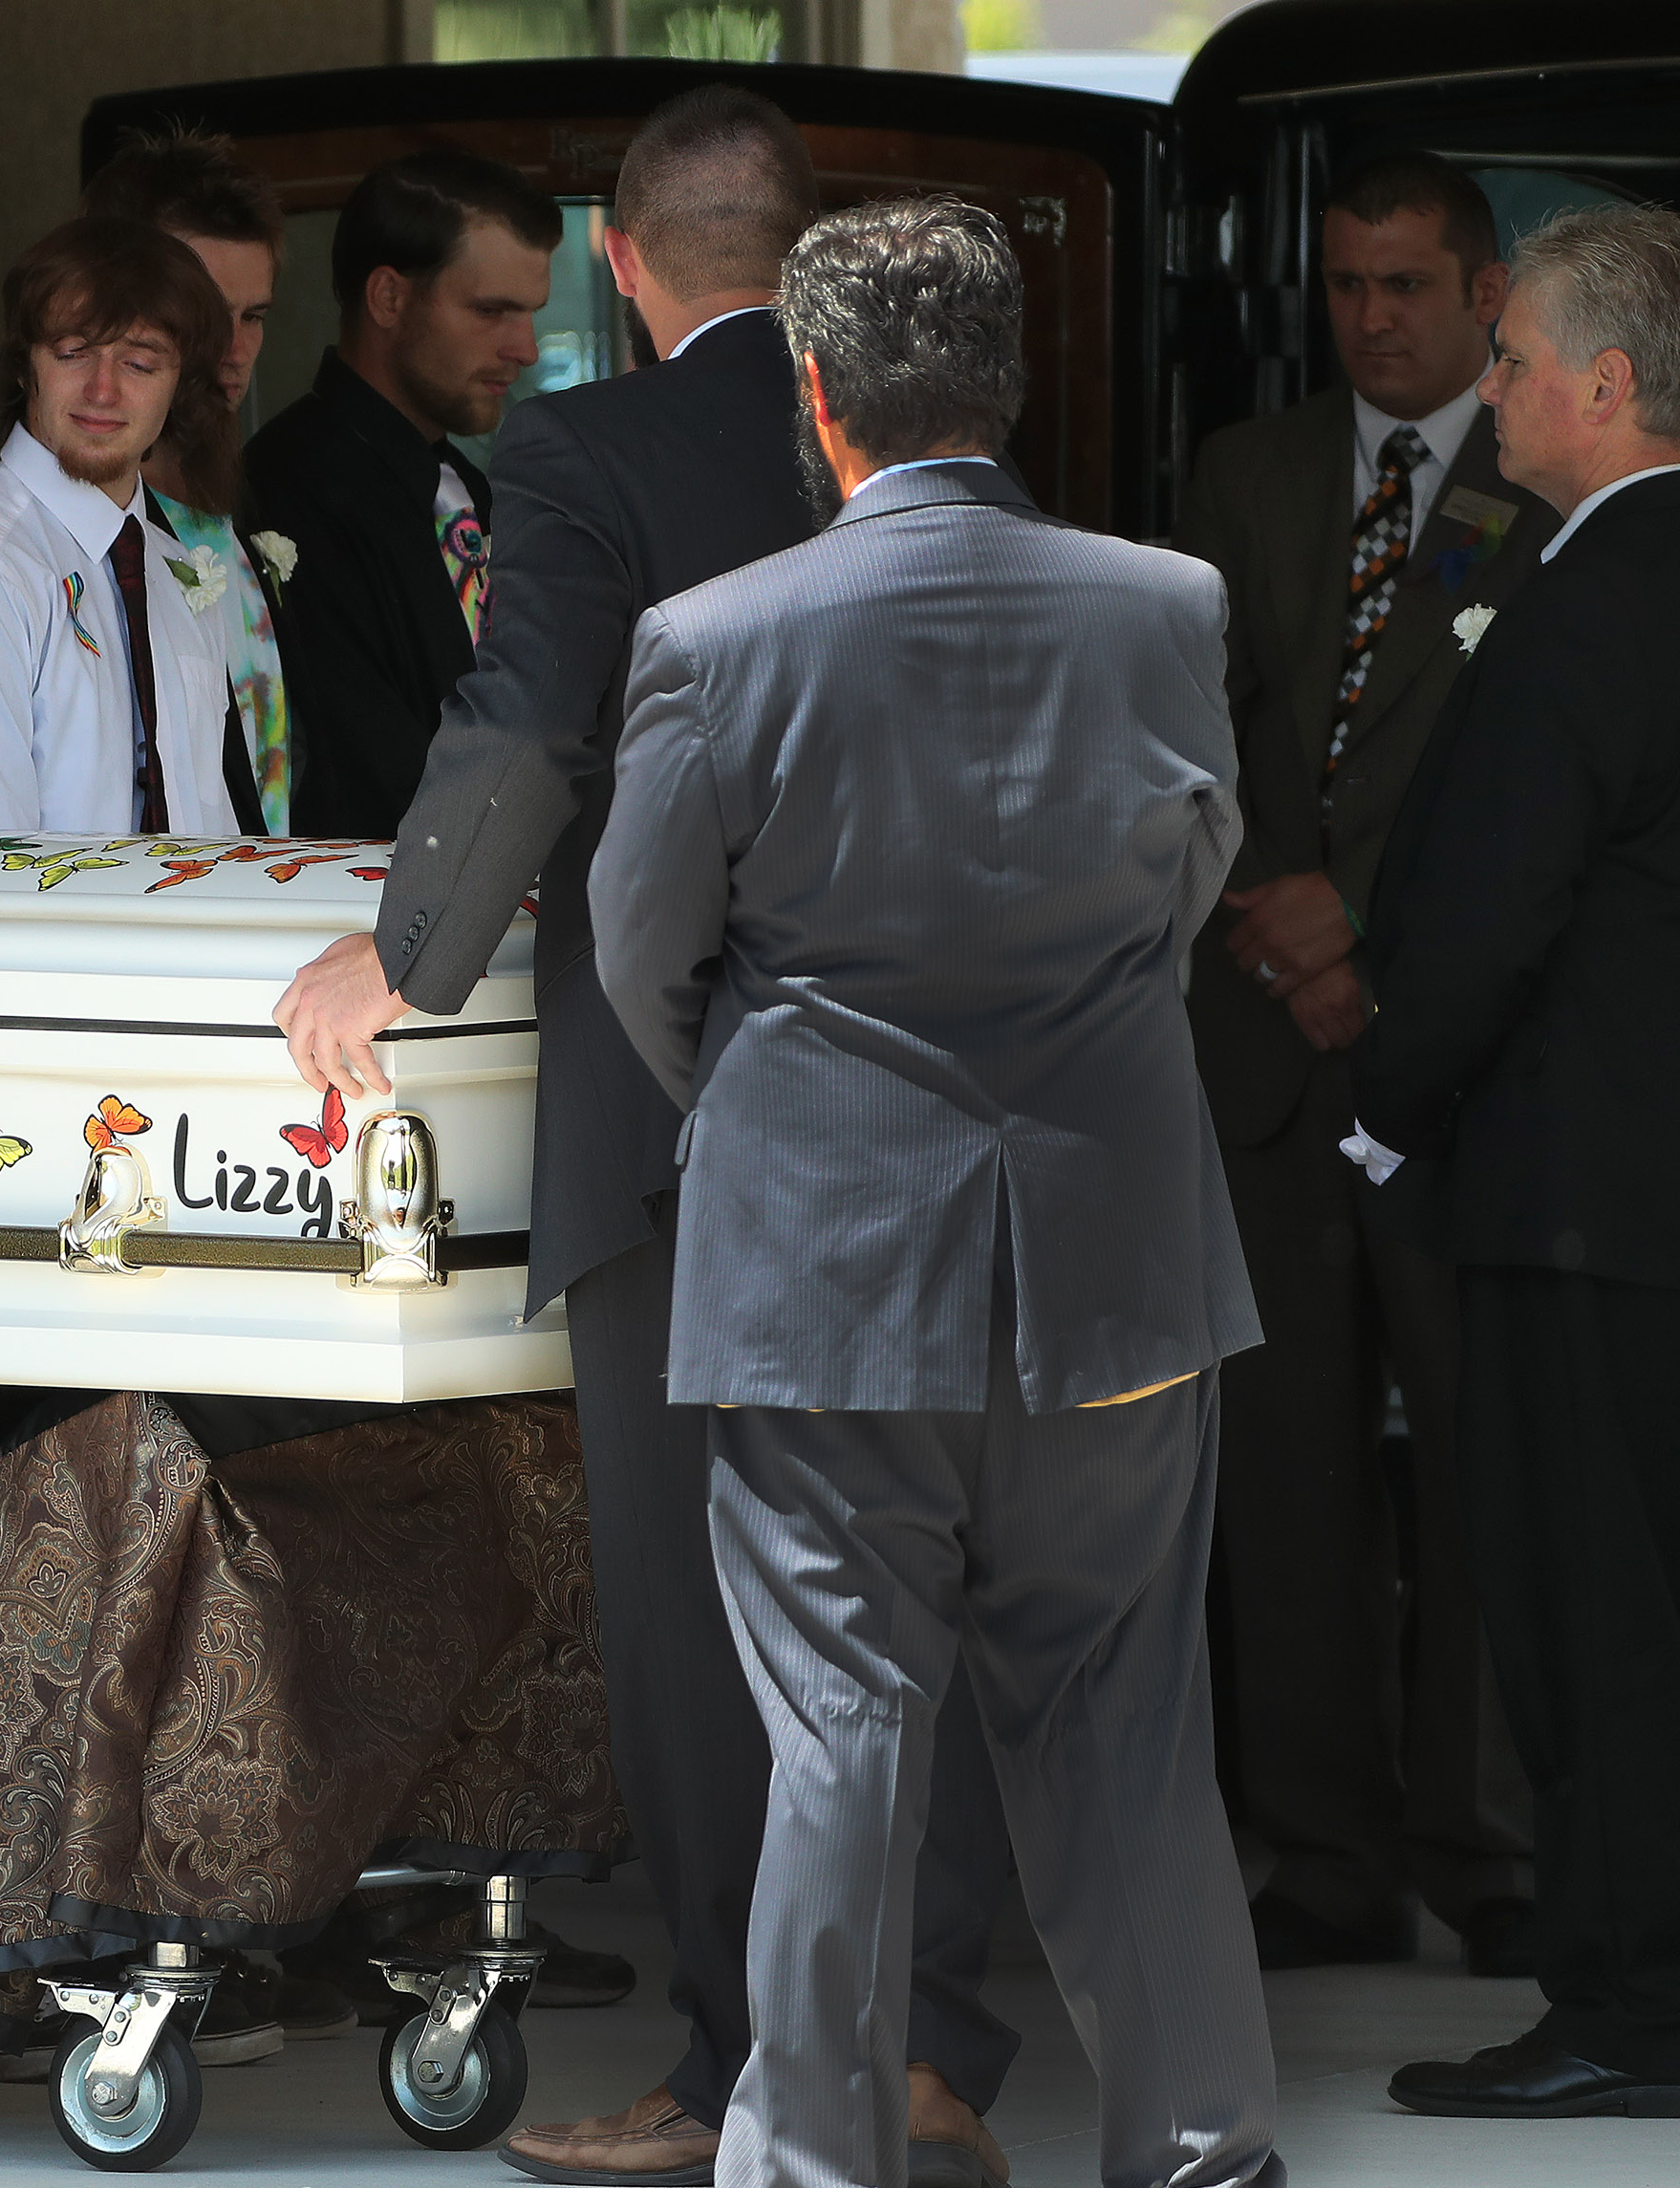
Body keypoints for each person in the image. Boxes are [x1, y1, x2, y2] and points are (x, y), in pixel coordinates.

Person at [277, 93, 1020, 2188]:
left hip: (687, 1119)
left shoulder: (587, 450)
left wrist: (401, 953)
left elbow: (529, 716)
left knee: (709, 1628)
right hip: (936, 1109)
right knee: (910, 1593)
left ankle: (747, 2071)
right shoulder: (928, 449)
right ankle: (928, 2048)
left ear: (622, 261)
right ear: (808, 247)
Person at [590, 198, 1282, 2188]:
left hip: (822, 1271)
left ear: (812, 394)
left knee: (840, 1736)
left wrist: (776, 1110)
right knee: (1128, 1736)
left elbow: (643, 950)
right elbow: (1187, 878)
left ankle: (813, 2163)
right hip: (1114, 1251)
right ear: (1007, 381)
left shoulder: (713, 638)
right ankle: (1202, 2155)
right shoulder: (1166, 603)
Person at [1173, 150, 1544, 1976]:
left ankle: (1491, 1845)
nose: (1371, 317)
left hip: (1456, 1051)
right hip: (1262, 1041)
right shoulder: (1246, 473)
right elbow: (1185, 718)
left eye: (1405, 284)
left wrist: (1368, 931)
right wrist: (1271, 910)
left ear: (1487, 294)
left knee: (1485, 1464)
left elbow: (1537, 758)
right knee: (1286, 1474)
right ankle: (1322, 1851)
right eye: (1344, 284)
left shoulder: (1545, 479)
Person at [1353, 205, 1680, 2120]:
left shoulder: (1591, 590)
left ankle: (1627, 2008)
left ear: (1606, 385)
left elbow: (1493, 911)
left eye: (1513, 360)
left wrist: (1388, 1100)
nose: (1487, 391)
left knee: (1588, 1614)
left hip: (1580, 1195)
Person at [0, 215, 262, 836]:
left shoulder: (172, 566)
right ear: (26, 367)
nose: (102, 390)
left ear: (180, 385)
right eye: (73, 352)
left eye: (140, 363)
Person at [246, 149, 559, 835]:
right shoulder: (287, 486)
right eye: (492, 310)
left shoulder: (467, 486)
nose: (526, 348)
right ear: (388, 297)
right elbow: (364, 773)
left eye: (530, 314)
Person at [82, 127, 298, 832]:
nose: (233, 350)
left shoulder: (254, 503)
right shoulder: (82, 539)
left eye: (253, 316)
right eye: (201, 313)